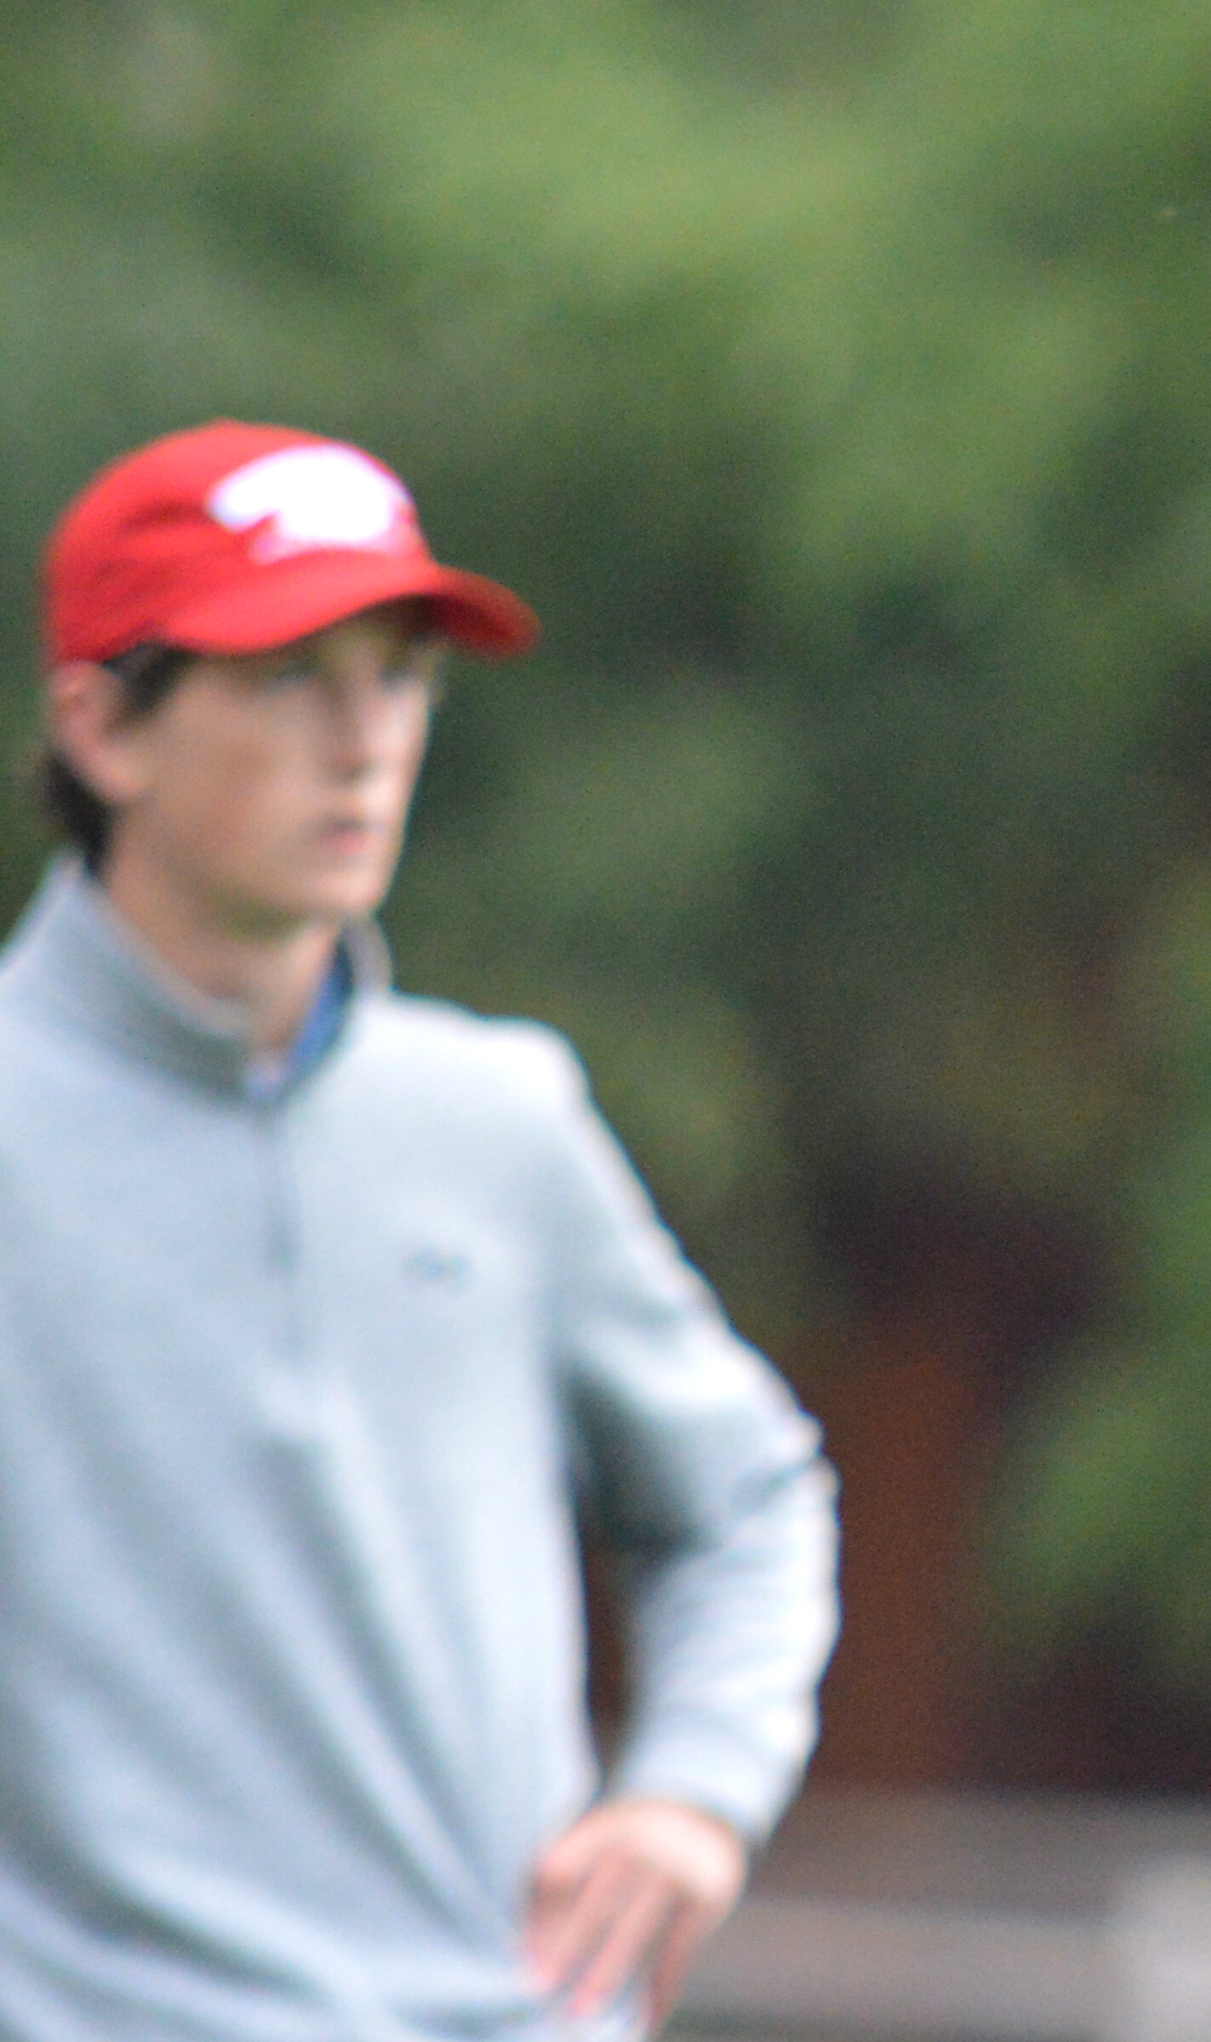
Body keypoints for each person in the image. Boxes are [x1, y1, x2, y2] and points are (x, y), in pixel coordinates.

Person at [7, 424, 838, 2040]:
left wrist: (696, 1790)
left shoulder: (499, 1120)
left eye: (396, 676)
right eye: (286, 678)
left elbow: (748, 1496)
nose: (364, 739)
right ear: (104, 728)